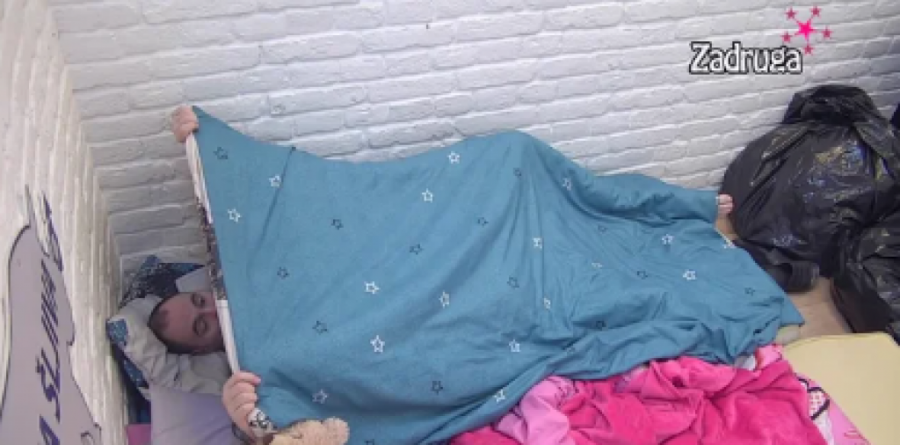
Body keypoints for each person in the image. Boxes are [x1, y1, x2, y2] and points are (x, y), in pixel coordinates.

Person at [166, 104, 736, 442]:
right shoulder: (257, 366)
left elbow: (297, 193)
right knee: (569, 298)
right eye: (198, 328)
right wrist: (246, 419)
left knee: (519, 157)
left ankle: (681, 206)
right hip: (466, 309)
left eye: (194, 302)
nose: (206, 310)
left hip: (463, 209)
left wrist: (200, 137)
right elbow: (292, 426)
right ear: (202, 352)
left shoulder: (242, 258)